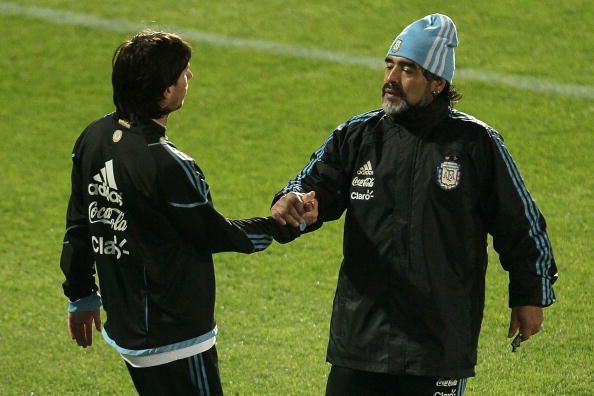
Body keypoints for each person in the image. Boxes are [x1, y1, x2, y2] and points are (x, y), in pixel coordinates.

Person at [271, 14, 558, 396]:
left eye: (407, 70)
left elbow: (520, 224)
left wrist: (530, 294)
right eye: (389, 65)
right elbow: (311, 187)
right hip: (361, 339)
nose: (391, 79)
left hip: (436, 343)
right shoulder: (357, 135)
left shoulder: (476, 144)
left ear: (437, 83)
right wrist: (295, 204)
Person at [60, 31, 315, 395]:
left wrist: (81, 294)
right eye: (183, 72)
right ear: (165, 91)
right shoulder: (168, 163)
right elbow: (214, 233)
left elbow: (80, 223)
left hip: (130, 328)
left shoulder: (94, 137)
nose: (189, 77)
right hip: (174, 334)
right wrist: (281, 226)